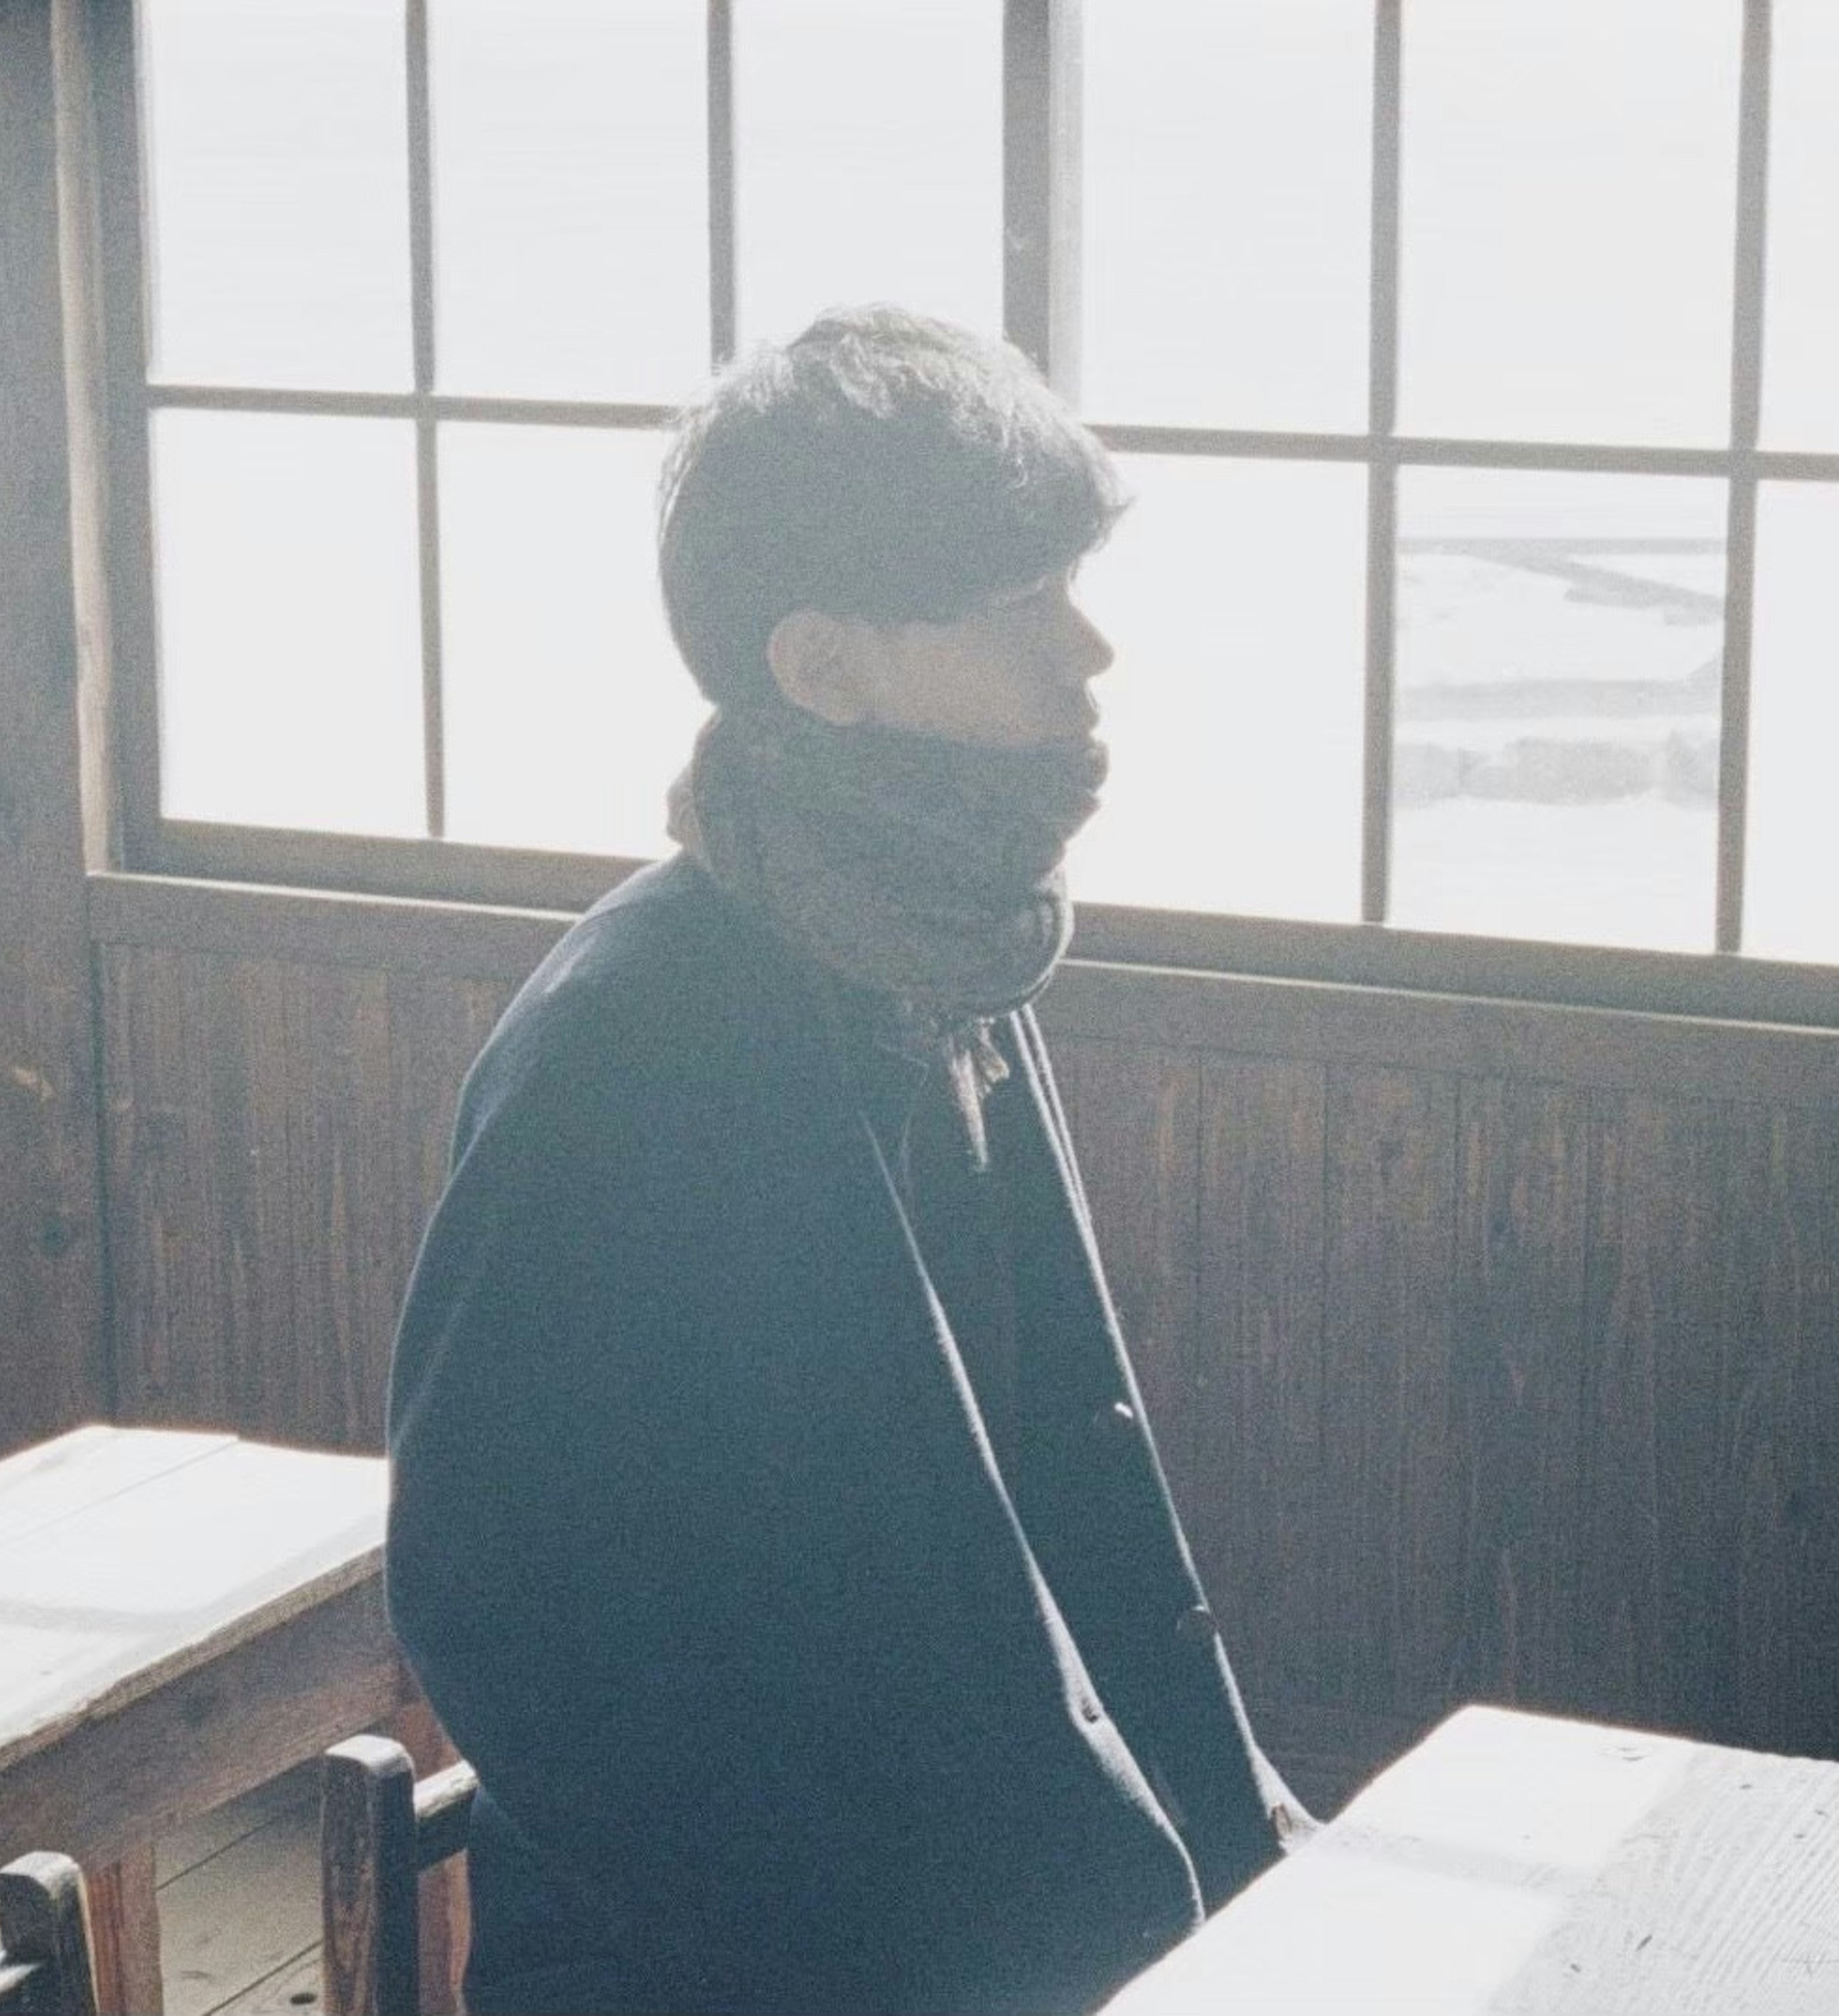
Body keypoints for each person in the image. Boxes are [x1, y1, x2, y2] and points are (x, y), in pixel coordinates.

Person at [385, 306, 1310, 2016]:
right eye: (1015, 601)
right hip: (743, 1966)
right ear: (826, 670)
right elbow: (494, 1611)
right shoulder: (628, 1041)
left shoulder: (940, 960)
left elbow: (1065, 1495)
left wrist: (1233, 1831)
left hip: (1034, 1896)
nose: (1086, 651)